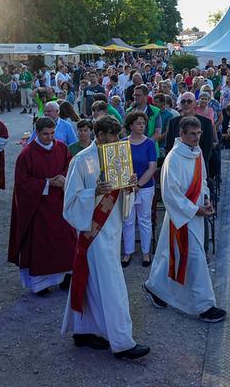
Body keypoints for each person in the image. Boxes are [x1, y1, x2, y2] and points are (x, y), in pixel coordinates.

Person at [61, 116, 149, 359]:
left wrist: (130, 186)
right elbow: (69, 203)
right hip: (93, 231)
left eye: (116, 137)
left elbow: (124, 197)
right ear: (96, 135)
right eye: (108, 137)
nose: (113, 142)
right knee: (112, 285)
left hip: (113, 229)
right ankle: (122, 342)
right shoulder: (80, 161)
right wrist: (93, 192)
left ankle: (83, 330)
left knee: (90, 280)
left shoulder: (120, 154)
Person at [144, 117, 225, 323]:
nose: (197, 138)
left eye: (199, 134)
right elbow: (170, 193)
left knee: (172, 254)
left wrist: (206, 201)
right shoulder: (173, 158)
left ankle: (154, 286)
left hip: (196, 213)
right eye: (192, 134)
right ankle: (204, 305)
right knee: (195, 256)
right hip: (182, 216)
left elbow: (203, 181)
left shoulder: (196, 154)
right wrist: (194, 210)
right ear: (181, 134)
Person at [9, 117, 75, 296]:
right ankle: (41, 284)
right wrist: (47, 182)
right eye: (46, 134)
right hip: (38, 206)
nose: (50, 137)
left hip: (60, 202)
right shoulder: (27, 154)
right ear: (37, 133)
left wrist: (63, 177)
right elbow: (22, 184)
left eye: (53, 133)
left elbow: (70, 166)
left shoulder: (61, 147)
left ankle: (66, 277)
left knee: (66, 241)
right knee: (42, 245)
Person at [121, 111, 158, 268]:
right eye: (138, 123)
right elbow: (119, 166)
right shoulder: (123, 143)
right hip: (127, 188)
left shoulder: (149, 143)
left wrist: (139, 185)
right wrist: (129, 185)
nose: (142, 126)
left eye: (143, 123)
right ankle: (128, 252)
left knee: (144, 220)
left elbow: (152, 168)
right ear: (131, 126)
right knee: (128, 220)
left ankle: (145, 252)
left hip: (145, 188)